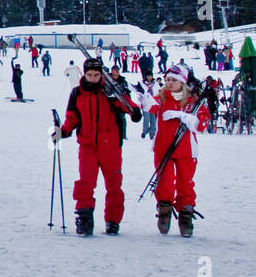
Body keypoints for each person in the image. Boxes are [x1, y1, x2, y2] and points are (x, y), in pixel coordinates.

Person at [53, 58, 140, 236]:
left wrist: (126, 103)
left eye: (96, 75)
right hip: (87, 146)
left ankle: (113, 220)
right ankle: (85, 218)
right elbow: (72, 118)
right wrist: (63, 131)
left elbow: (131, 109)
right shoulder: (77, 93)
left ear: (101, 75)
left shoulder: (110, 92)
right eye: (89, 75)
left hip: (111, 147)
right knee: (85, 183)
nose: (92, 78)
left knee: (114, 185)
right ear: (84, 74)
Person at [149, 65, 209, 237]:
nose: (169, 83)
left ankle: (185, 216)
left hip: (186, 150)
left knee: (185, 184)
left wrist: (184, 117)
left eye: (174, 80)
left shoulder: (192, 102)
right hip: (163, 148)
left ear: (182, 82)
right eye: (167, 79)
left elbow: (202, 125)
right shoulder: (161, 98)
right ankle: (165, 211)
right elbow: (149, 107)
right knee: (164, 183)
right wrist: (144, 99)